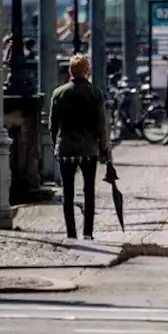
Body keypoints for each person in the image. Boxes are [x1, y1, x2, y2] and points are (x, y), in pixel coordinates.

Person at [48, 53, 108, 240]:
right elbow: (101, 125)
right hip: (89, 149)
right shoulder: (95, 94)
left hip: (66, 148)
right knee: (89, 191)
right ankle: (88, 232)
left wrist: (55, 144)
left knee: (68, 193)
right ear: (87, 71)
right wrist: (104, 149)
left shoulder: (59, 93)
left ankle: (71, 233)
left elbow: (53, 125)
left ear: (70, 71)